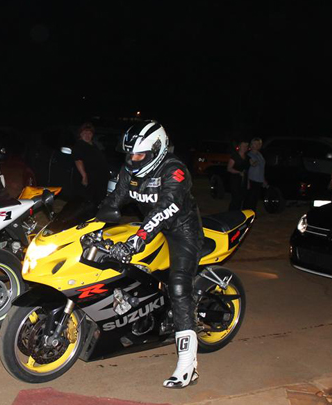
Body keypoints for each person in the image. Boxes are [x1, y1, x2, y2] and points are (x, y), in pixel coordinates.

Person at [98, 120, 203, 389]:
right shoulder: (129, 170)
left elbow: (165, 208)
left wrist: (136, 240)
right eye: (129, 155)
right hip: (149, 226)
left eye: (139, 155)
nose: (132, 160)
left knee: (178, 287)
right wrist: (91, 224)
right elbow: (114, 199)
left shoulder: (175, 171)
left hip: (182, 230)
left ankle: (188, 365)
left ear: (157, 149)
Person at [72, 122, 110, 204]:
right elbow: (78, 160)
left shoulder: (93, 145)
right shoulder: (79, 145)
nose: (87, 135)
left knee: (98, 199)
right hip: (90, 178)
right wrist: (84, 176)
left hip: (99, 179)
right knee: (88, 200)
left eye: (89, 133)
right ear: (80, 134)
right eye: (85, 133)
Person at [243, 137, 267, 211]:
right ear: (251, 145)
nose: (256, 145)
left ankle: (252, 213)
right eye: (254, 144)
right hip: (251, 179)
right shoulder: (249, 155)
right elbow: (252, 164)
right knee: (249, 199)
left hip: (259, 180)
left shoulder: (260, 155)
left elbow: (262, 168)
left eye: (258, 144)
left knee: (255, 199)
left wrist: (263, 179)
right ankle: (245, 214)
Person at [226, 139, 250, 211]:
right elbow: (229, 168)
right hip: (235, 179)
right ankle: (231, 213)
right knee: (236, 198)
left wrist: (248, 182)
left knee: (242, 198)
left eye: (246, 146)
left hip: (244, 179)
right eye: (243, 146)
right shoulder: (234, 156)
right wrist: (238, 172)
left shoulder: (247, 157)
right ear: (239, 146)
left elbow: (247, 170)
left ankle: (238, 213)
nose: (245, 148)